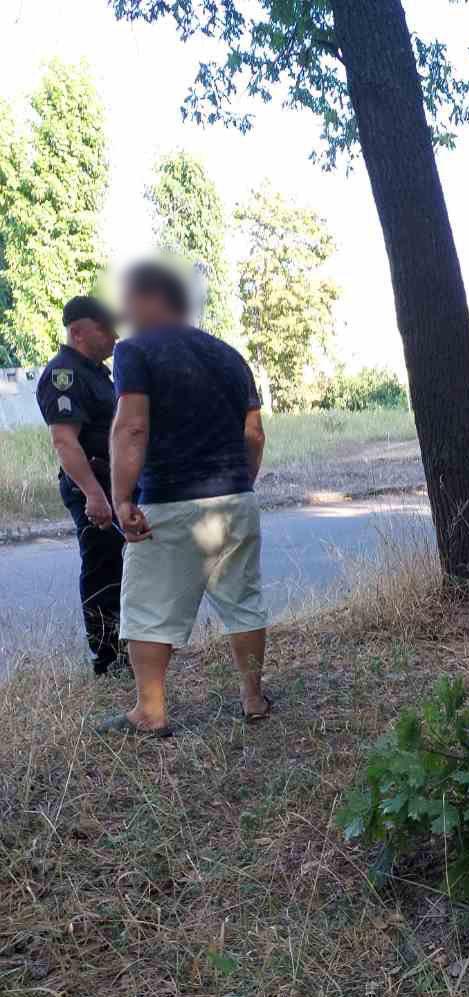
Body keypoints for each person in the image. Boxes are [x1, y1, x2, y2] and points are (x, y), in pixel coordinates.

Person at [99, 261, 270, 737]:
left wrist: (121, 497)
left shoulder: (134, 351)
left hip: (170, 501)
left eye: (129, 298)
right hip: (235, 498)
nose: (124, 310)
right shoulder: (230, 355)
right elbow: (254, 434)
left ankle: (150, 712)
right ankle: (253, 698)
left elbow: (131, 426)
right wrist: (241, 482)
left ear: (154, 298)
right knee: (243, 602)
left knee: (151, 608)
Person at [36, 297, 126, 674]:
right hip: (93, 485)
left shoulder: (98, 373)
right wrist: (94, 494)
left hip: (114, 483)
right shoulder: (64, 374)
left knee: (125, 567)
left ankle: (130, 648)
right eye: (104, 328)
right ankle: (108, 658)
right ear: (78, 331)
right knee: (103, 567)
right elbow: (64, 442)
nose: (113, 336)